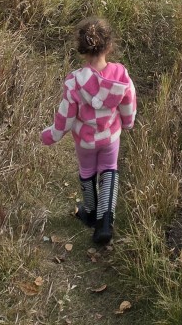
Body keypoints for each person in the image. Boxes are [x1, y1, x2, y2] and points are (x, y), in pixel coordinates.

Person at [40, 17, 137, 245]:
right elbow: (128, 104)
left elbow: (65, 117)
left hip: (84, 140)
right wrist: (128, 123)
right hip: (110, 137)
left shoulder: (74, 82)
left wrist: (52, 134)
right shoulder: (121, 76)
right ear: (109, 46)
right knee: (109, 170)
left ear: (81, 49)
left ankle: (91, 213)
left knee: (87, 171)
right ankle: (105, 222)